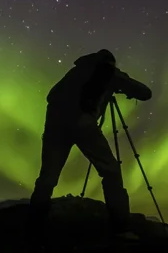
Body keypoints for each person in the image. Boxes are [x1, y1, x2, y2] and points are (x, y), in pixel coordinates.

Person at [27, 49, 153, 238]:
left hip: (54, 127)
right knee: (110, 171)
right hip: (83, 125)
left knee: (48, 176)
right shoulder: (109, 72)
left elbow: (51, 96)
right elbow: (145, 93)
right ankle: (121, 228)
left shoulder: (75, 71)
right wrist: (119, 86)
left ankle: (34, 227)